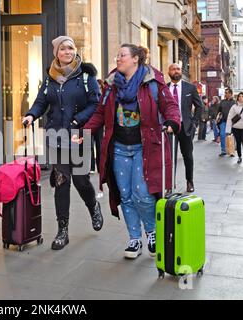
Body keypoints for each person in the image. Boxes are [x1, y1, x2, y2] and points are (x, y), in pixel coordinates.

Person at [76, 44, 181, 259]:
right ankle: (134, 238)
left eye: (122, 55)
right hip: (119, 148)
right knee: (125, 195)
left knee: (142, 193)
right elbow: (100, 112)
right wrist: (85, 131)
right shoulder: (112, 84)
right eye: (117, 55)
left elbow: (170, 105)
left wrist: (172, 121)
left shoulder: (153, 80)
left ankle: (151, 233)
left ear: (135, 59)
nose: (118, 58)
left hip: (146, 147)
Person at [22, 36, 103, 251]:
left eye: (71, 48)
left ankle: (93, 206)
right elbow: (41, 102)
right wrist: (31, 115)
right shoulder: (50, 77)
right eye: (63, 49)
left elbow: (96, 104)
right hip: (56, 138)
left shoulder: (86, 76)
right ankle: (62, 230)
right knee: (61, 182)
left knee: (80, 180)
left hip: (78, 137)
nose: (67, 52)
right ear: (56, 52)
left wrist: (77, 120)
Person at [167, 63, 203, 193]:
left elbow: (199, 106)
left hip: (185, 127)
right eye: (173, 69)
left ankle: (190, 181)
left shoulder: (190, 88)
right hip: (170, 128)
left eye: (178, 69)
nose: (176, 71)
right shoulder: (164, 89)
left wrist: (194, 123)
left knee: (187, 155)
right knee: (170, 157)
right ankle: (170, 185)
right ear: (168, 72)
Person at [217, 88, 236, 157]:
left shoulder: (234, 102)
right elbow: (219, 111)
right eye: (225, 93)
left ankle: (231, 151)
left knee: (231, 136)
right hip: (223, 121)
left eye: (228, 93)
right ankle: (223, 150)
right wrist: (218, 118)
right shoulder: (222, 102)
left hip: (232, 122)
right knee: (222, 135)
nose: (226, 94)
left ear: (231, 94)